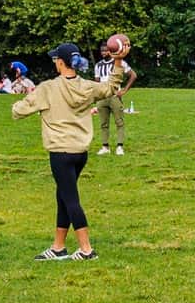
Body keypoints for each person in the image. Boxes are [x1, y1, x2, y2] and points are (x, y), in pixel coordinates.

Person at [14, 41, 129, 261]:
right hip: (80, 153)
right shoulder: (87, 86)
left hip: (60, 152)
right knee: (63, 196)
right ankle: (58, 247)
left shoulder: (48, 88)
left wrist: (25, 102)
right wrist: (118, 61)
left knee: (71, 199)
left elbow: (18, 112)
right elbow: (110, 87)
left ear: (60, 62)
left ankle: (86, 249)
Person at [94, 43, 136, 156]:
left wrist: (124, 90)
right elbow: (97, 83)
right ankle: (105, 147)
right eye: (102, 51)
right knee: (103, 123)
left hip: (115, 96)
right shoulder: (98, 65)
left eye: (106, 50)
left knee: (119, 122)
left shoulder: (120, 62)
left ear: (111, 51)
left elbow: (133, 75)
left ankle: (120, 146)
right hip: (102, 97)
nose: (103, 53)